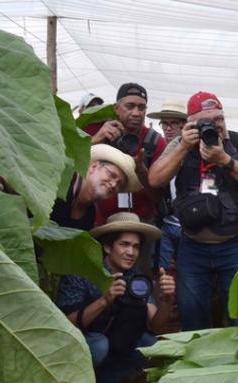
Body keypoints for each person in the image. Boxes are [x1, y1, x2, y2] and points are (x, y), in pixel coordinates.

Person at [148, 91, 238, 330]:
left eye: (219, 119)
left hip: (235, 243)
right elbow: (155, 179)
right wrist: (183, 146)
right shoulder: (181, 143)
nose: (216, 125)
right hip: (192, 245)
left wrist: (225, 160)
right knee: (192, 315)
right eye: (207, 121)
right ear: (191, 123)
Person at [56, 212, 175, 383]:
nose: (131, 252)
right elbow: (65, 325)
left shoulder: (137, 277)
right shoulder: (82, 272)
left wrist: (166, 300)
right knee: (99, 346)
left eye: (136, 247)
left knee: (151, 345)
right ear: (107, 247)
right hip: (84, 341)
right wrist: (105, 300)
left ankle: (106, 382)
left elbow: (156, 326)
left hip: (118, 340)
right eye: (124, 244)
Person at [88, 83, 168, 273]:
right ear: (116, 108)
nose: (136, 113)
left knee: (138, 282)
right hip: (102, 221)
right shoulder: (96, 130)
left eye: (141, 108)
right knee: (96, 278)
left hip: (141, 224)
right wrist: (96, 139)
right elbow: (70, 164)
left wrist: (141, 171)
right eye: (130, 106)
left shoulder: (156, 142)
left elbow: (158, 196)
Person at [50, 144, 140, 231]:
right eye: (112, 175)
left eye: (120, 184)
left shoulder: (90, 214)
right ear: (93, 167)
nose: (114, 184)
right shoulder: (60, 184)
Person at [147, 99, 188, 272]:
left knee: (186, 273)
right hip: (166, 223)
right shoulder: (159, 150)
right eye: (165, 124)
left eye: (174, 123)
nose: (168, 128)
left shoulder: (197, 150)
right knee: (162, 272)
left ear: (184, 125)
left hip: (189, 227)